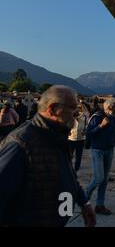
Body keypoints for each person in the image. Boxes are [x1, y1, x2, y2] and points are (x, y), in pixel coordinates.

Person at [0, 85, 96, 227]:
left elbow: (68, 174)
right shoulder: (21, 142)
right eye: (72, 108)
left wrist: (84, 202)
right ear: (53, 109)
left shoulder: (58, 136)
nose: (76, 113)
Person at [86, 97, 115, 215]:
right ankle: (83, 200)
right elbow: (88, 133)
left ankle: (100, 205)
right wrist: (101, 126)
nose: (114, 112)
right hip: (97, 151)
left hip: (109, 150)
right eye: (112, 109)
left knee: (105, 180)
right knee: (98, 178)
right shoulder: (96, 117)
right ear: (106, 108)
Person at [68, 102, 88, 172]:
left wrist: (85, 131)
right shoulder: (70, 116)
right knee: (69, 155)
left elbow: (87, 126)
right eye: (76, 107)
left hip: (80, 139)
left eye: (79, 108)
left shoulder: (84, 116)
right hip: (71, 139)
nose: (77, 109)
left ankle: (76, 169)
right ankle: (69, 167)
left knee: (78, 156)